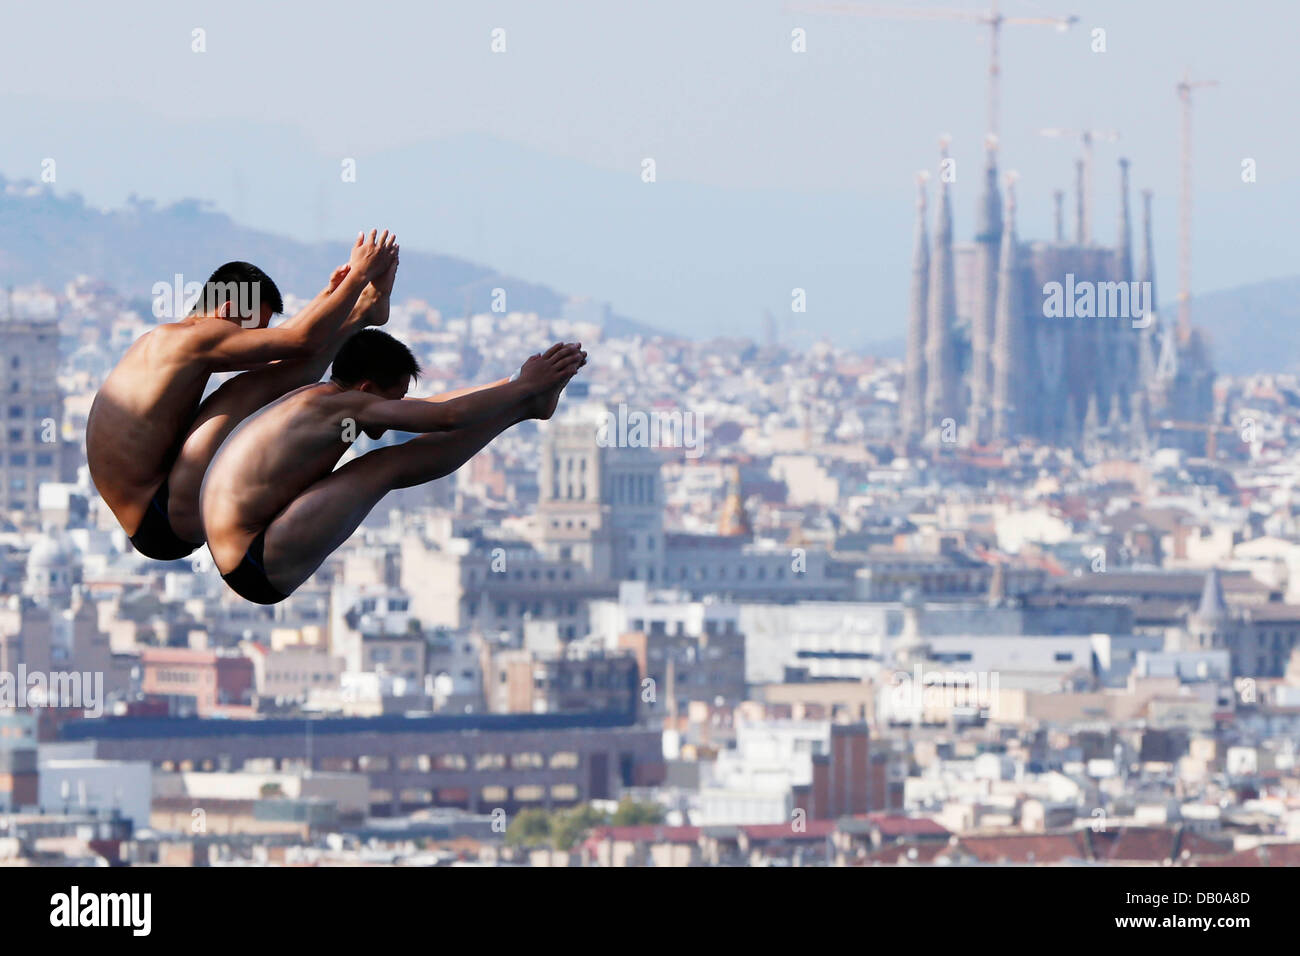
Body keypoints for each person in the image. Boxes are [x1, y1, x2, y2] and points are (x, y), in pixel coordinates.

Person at [200, 331, 586, 604]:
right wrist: (521, 391)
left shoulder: (322, 400)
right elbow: (447, 417)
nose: (397, 410)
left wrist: (516, 380)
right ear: (367, 389)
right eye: (394, 399)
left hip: (253, 549)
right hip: (256, 561)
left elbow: (433, 405)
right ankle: (525, 410)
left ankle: (527, 407)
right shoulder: (337, 407)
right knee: (389, 463)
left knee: (385, 460)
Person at [86, 229, 398, 561]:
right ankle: (363, 313)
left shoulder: (170, 342)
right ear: (228, 309)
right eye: (252, 328)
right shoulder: (193, 339)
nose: (256, 339)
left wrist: (331, 294)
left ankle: (363, 312)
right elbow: (299, 341)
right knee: (247, 389)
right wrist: (356, 280)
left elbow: (286, 343)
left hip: (156, 510)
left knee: (256, 383)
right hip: (162, 516)